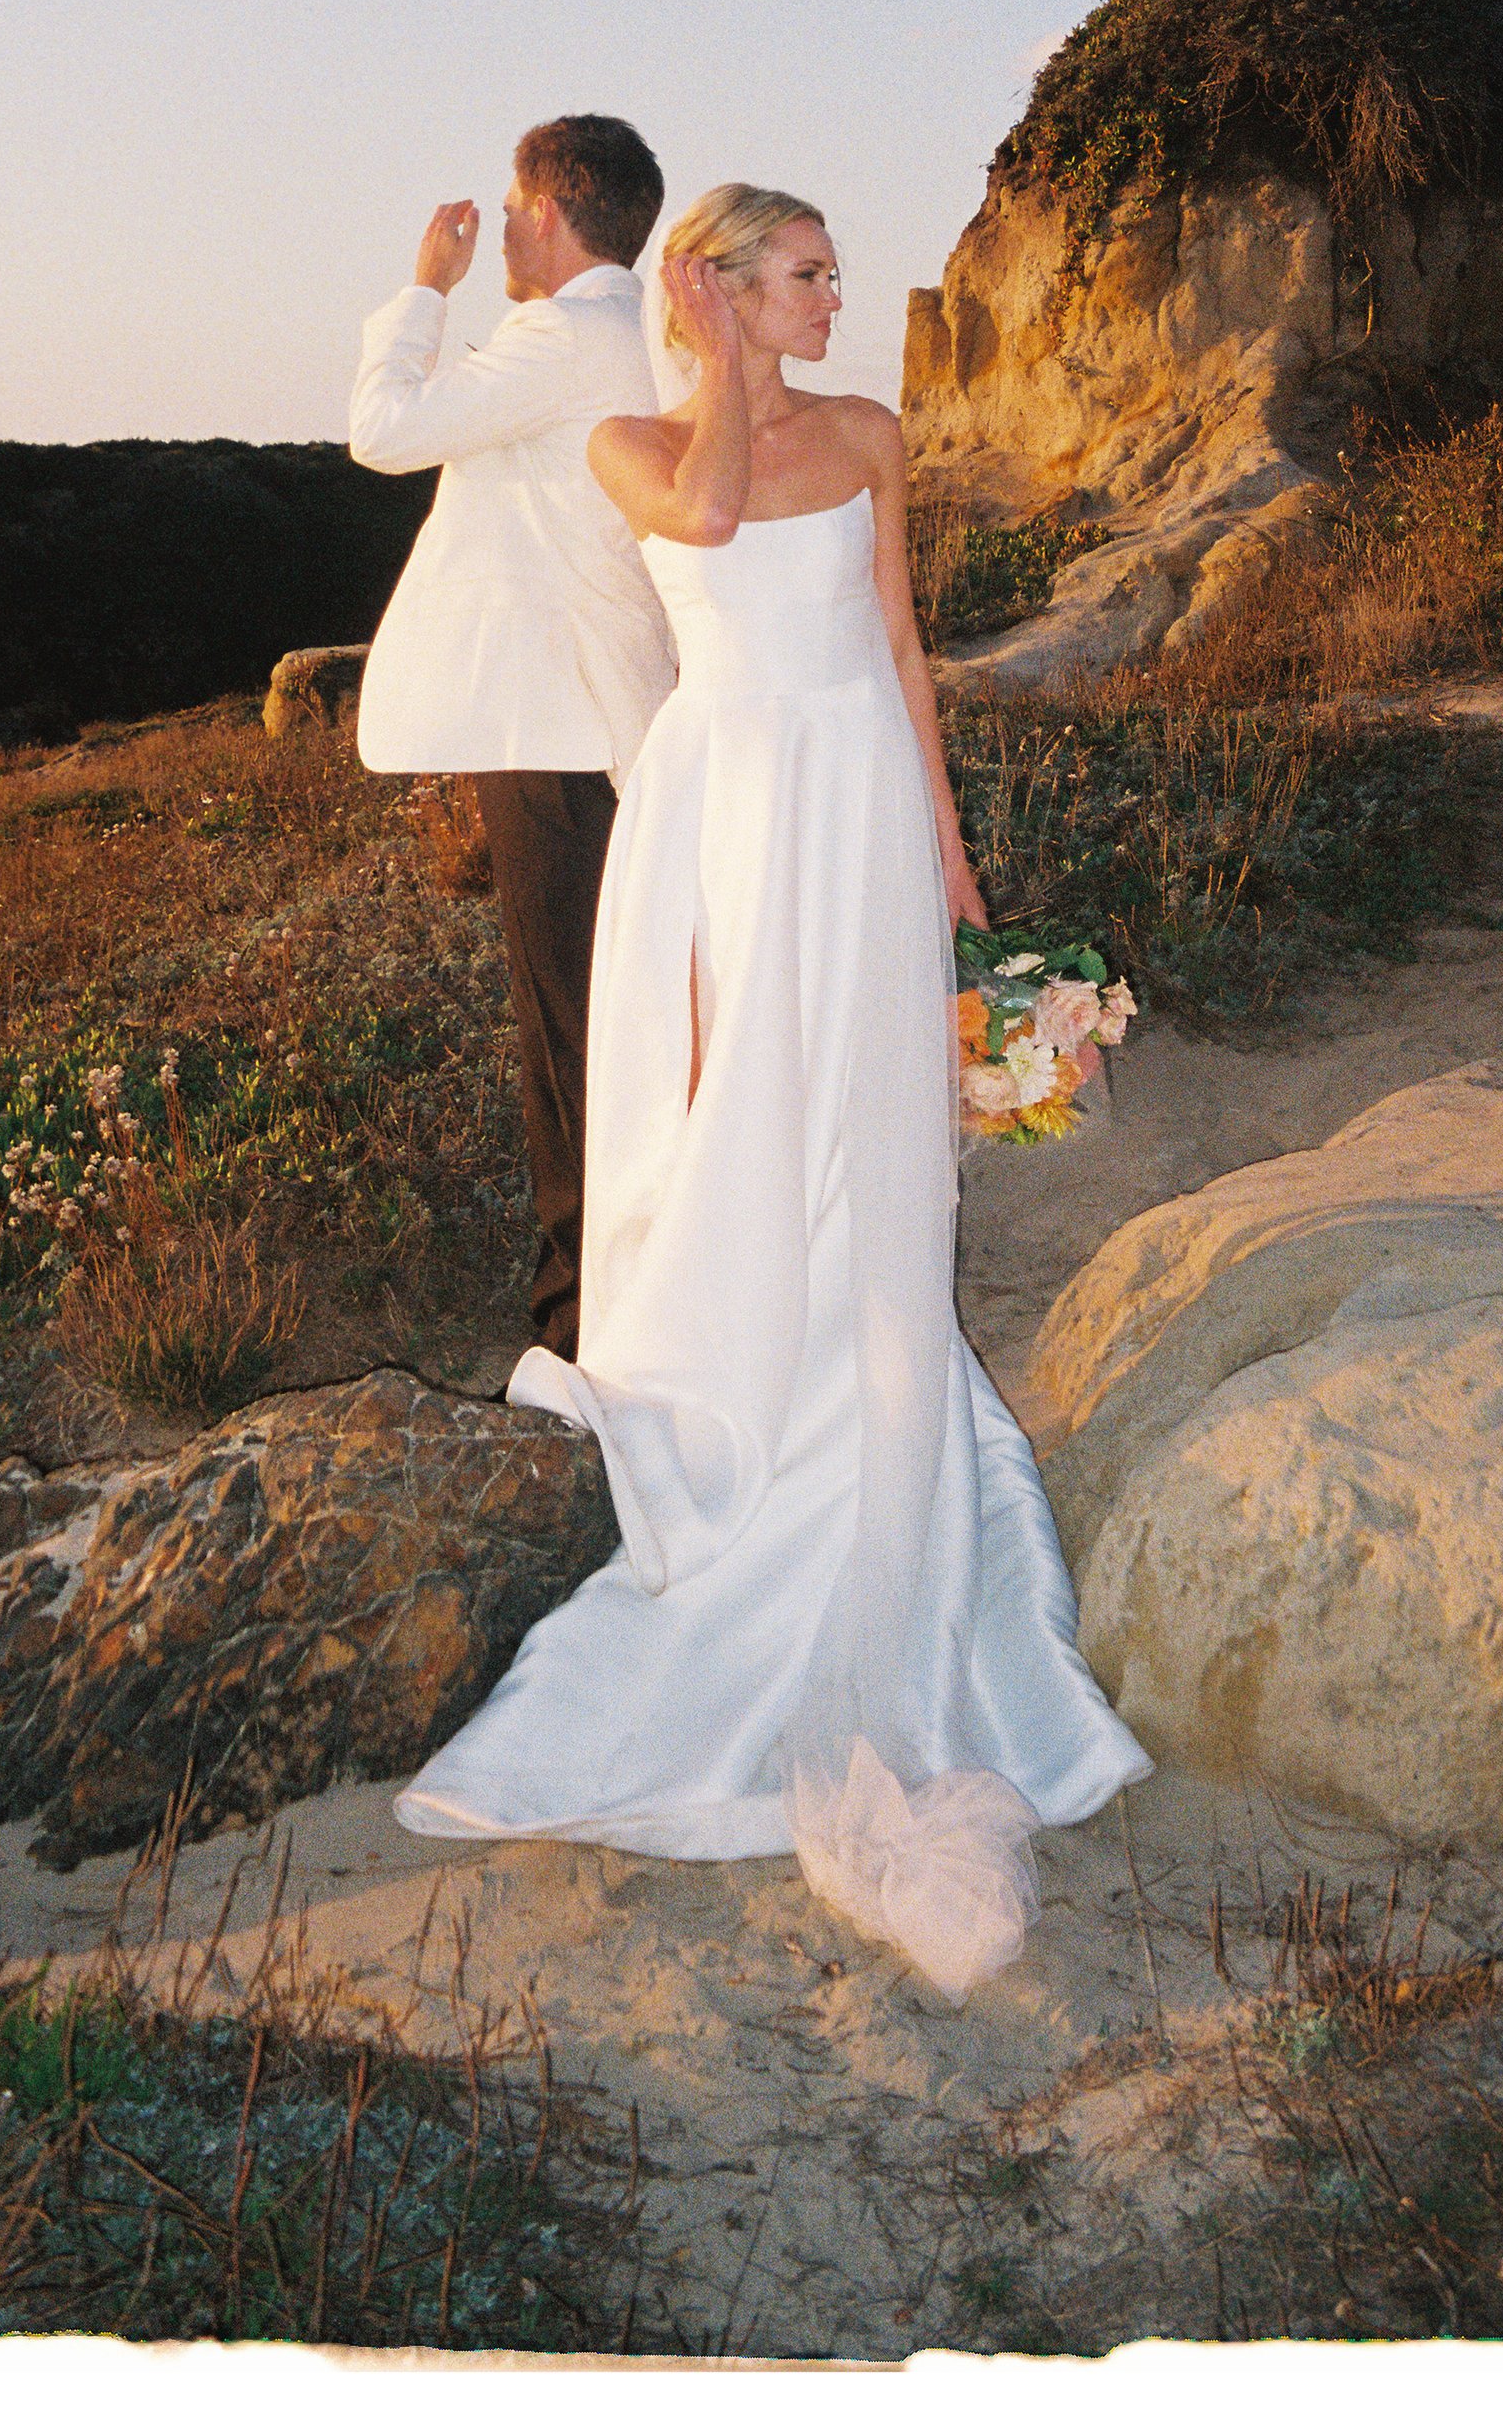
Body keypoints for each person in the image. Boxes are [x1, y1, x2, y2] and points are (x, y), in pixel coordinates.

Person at [396, 184, 1151, 2000]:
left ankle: (870, 1419)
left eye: (826, 273)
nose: (835, 295)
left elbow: (900, 648)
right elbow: (716, 515)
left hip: (863, 799)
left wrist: (954, 848)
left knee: (874, 1138)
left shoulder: (881, 433)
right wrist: (719, 360)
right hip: (723, 814)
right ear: (718, 287)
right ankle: (738, 1409)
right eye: (801, 274)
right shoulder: (631, 436)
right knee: (738, 1122)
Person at [349, 115, 676, 1360]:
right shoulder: (607, 332)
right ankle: (608, 1309)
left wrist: (421, 291)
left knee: (571, 1041)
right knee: (592, 1026)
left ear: (546, 209)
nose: (494, 234)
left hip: (554, 732)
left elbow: (381, 429)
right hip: (581, 723)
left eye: (508, 208)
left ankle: (589, 1333)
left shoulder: (565, 332)